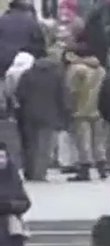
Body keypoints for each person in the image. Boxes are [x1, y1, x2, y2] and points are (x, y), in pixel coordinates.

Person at [14, 52, 67, 182]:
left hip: (29, 114)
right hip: (50, 114)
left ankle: (30, 172)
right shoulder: (57, 76)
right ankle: (40, 174)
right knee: (45, 146)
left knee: (31, 145)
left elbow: (19, 94)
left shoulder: (27, 75)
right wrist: (64, 114)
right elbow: (62, 96)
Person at [64, 47, 107, 181]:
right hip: (98, 108)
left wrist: (69, 106)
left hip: (80, 109)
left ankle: (85, 169)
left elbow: (71, 90)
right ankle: (102, 168)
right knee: (98, 141)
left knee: (83, 142)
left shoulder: (76, 69)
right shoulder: (101, 70)